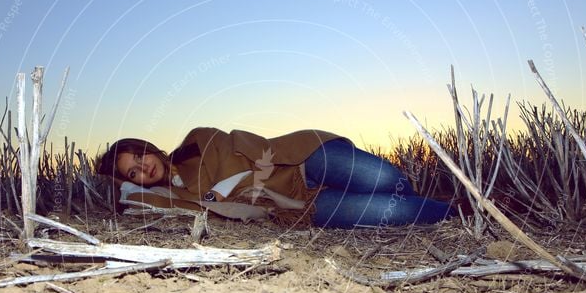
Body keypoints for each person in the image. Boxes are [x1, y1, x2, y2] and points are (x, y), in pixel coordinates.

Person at [96, 127, 454, 229]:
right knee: (393, 213)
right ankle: (459, 211)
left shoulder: (194, 141)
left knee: (382, 176)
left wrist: (209, 197)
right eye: (132, 172)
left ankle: (445, 198)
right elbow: (209, 204)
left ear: (149, 147)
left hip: (297, 160)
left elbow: (230, 152)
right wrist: (121, 186)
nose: (143, 168)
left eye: (139, 156)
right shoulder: (171, 199)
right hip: (298, 206)